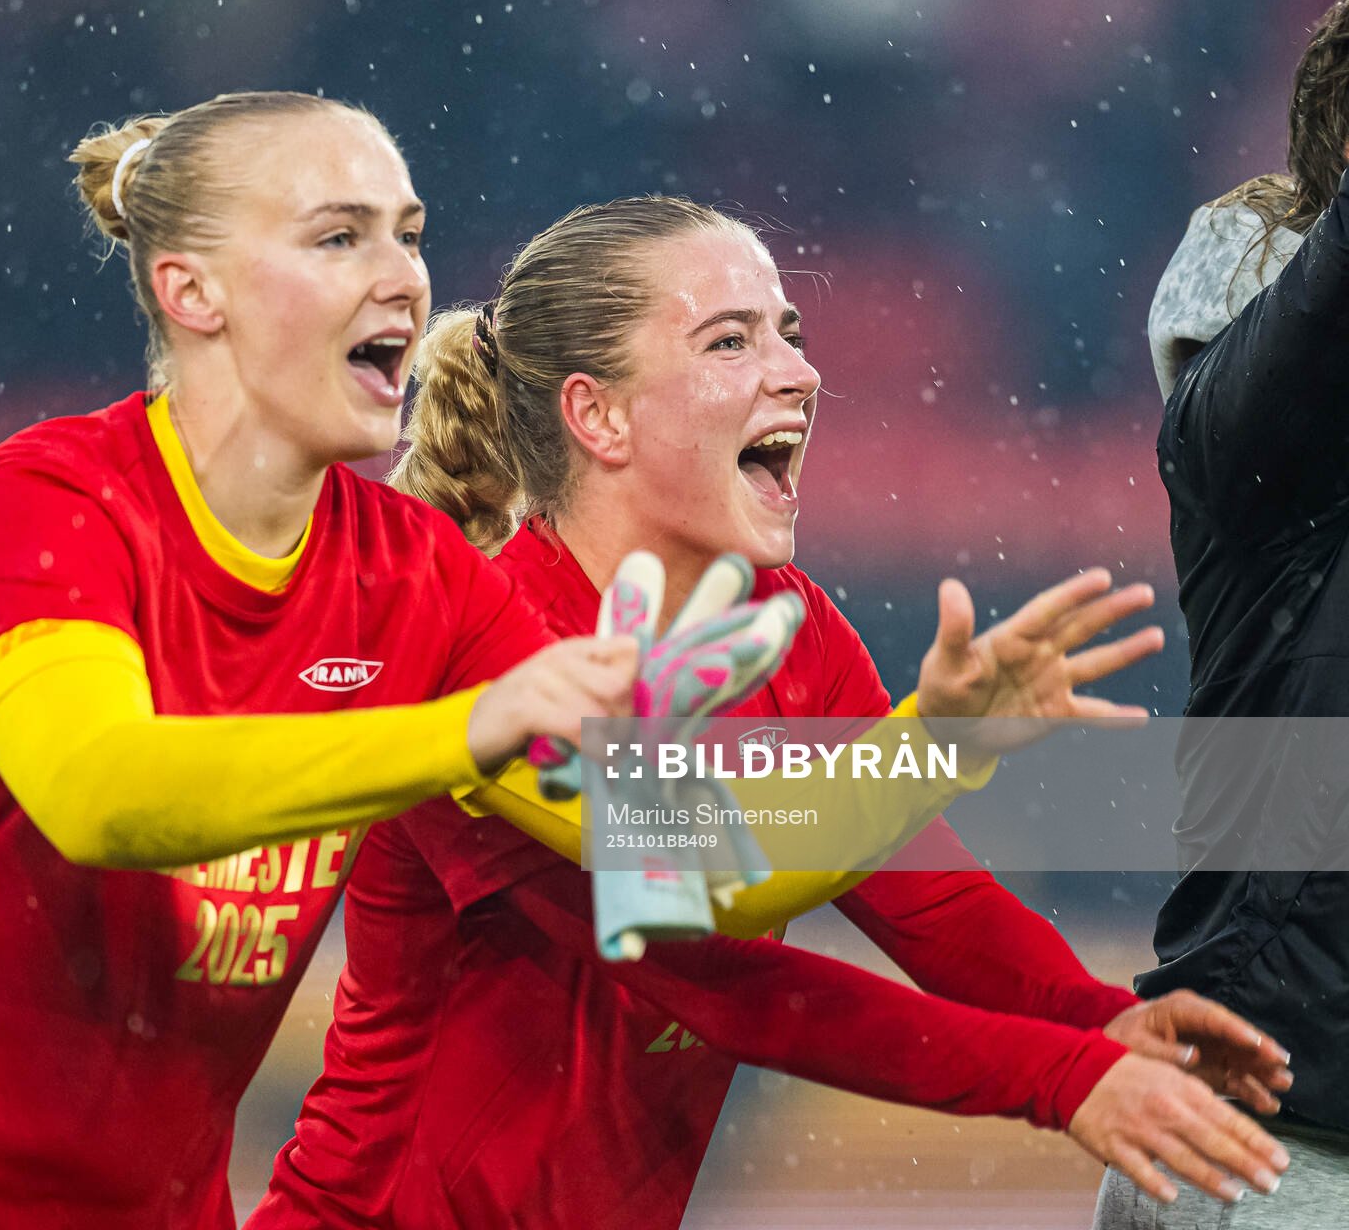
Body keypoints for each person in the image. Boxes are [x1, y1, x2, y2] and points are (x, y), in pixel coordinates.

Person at [250, 196, 1295, 1230]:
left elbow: (926, 900)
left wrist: (1107, 1017)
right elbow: (718, 962)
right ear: (598, 415)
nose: (798, 370)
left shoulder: (786, 623)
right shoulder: (475, 652)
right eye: (730, 340)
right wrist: (1062, 1072)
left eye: (789, 333)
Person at [0, 91, 686, 1230]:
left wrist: (932, 746)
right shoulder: (49, 506)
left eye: (409, 232)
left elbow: (687, 843)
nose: (404, 275)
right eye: (340, 234)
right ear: (189, 290)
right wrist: (463, 732)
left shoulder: (414, 577)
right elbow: (102, 794)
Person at [1099, 0, 1349, 1230]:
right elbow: (677, 880)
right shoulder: (1266, 458)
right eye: (734, 338)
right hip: (1286, 1151)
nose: (798, 367)